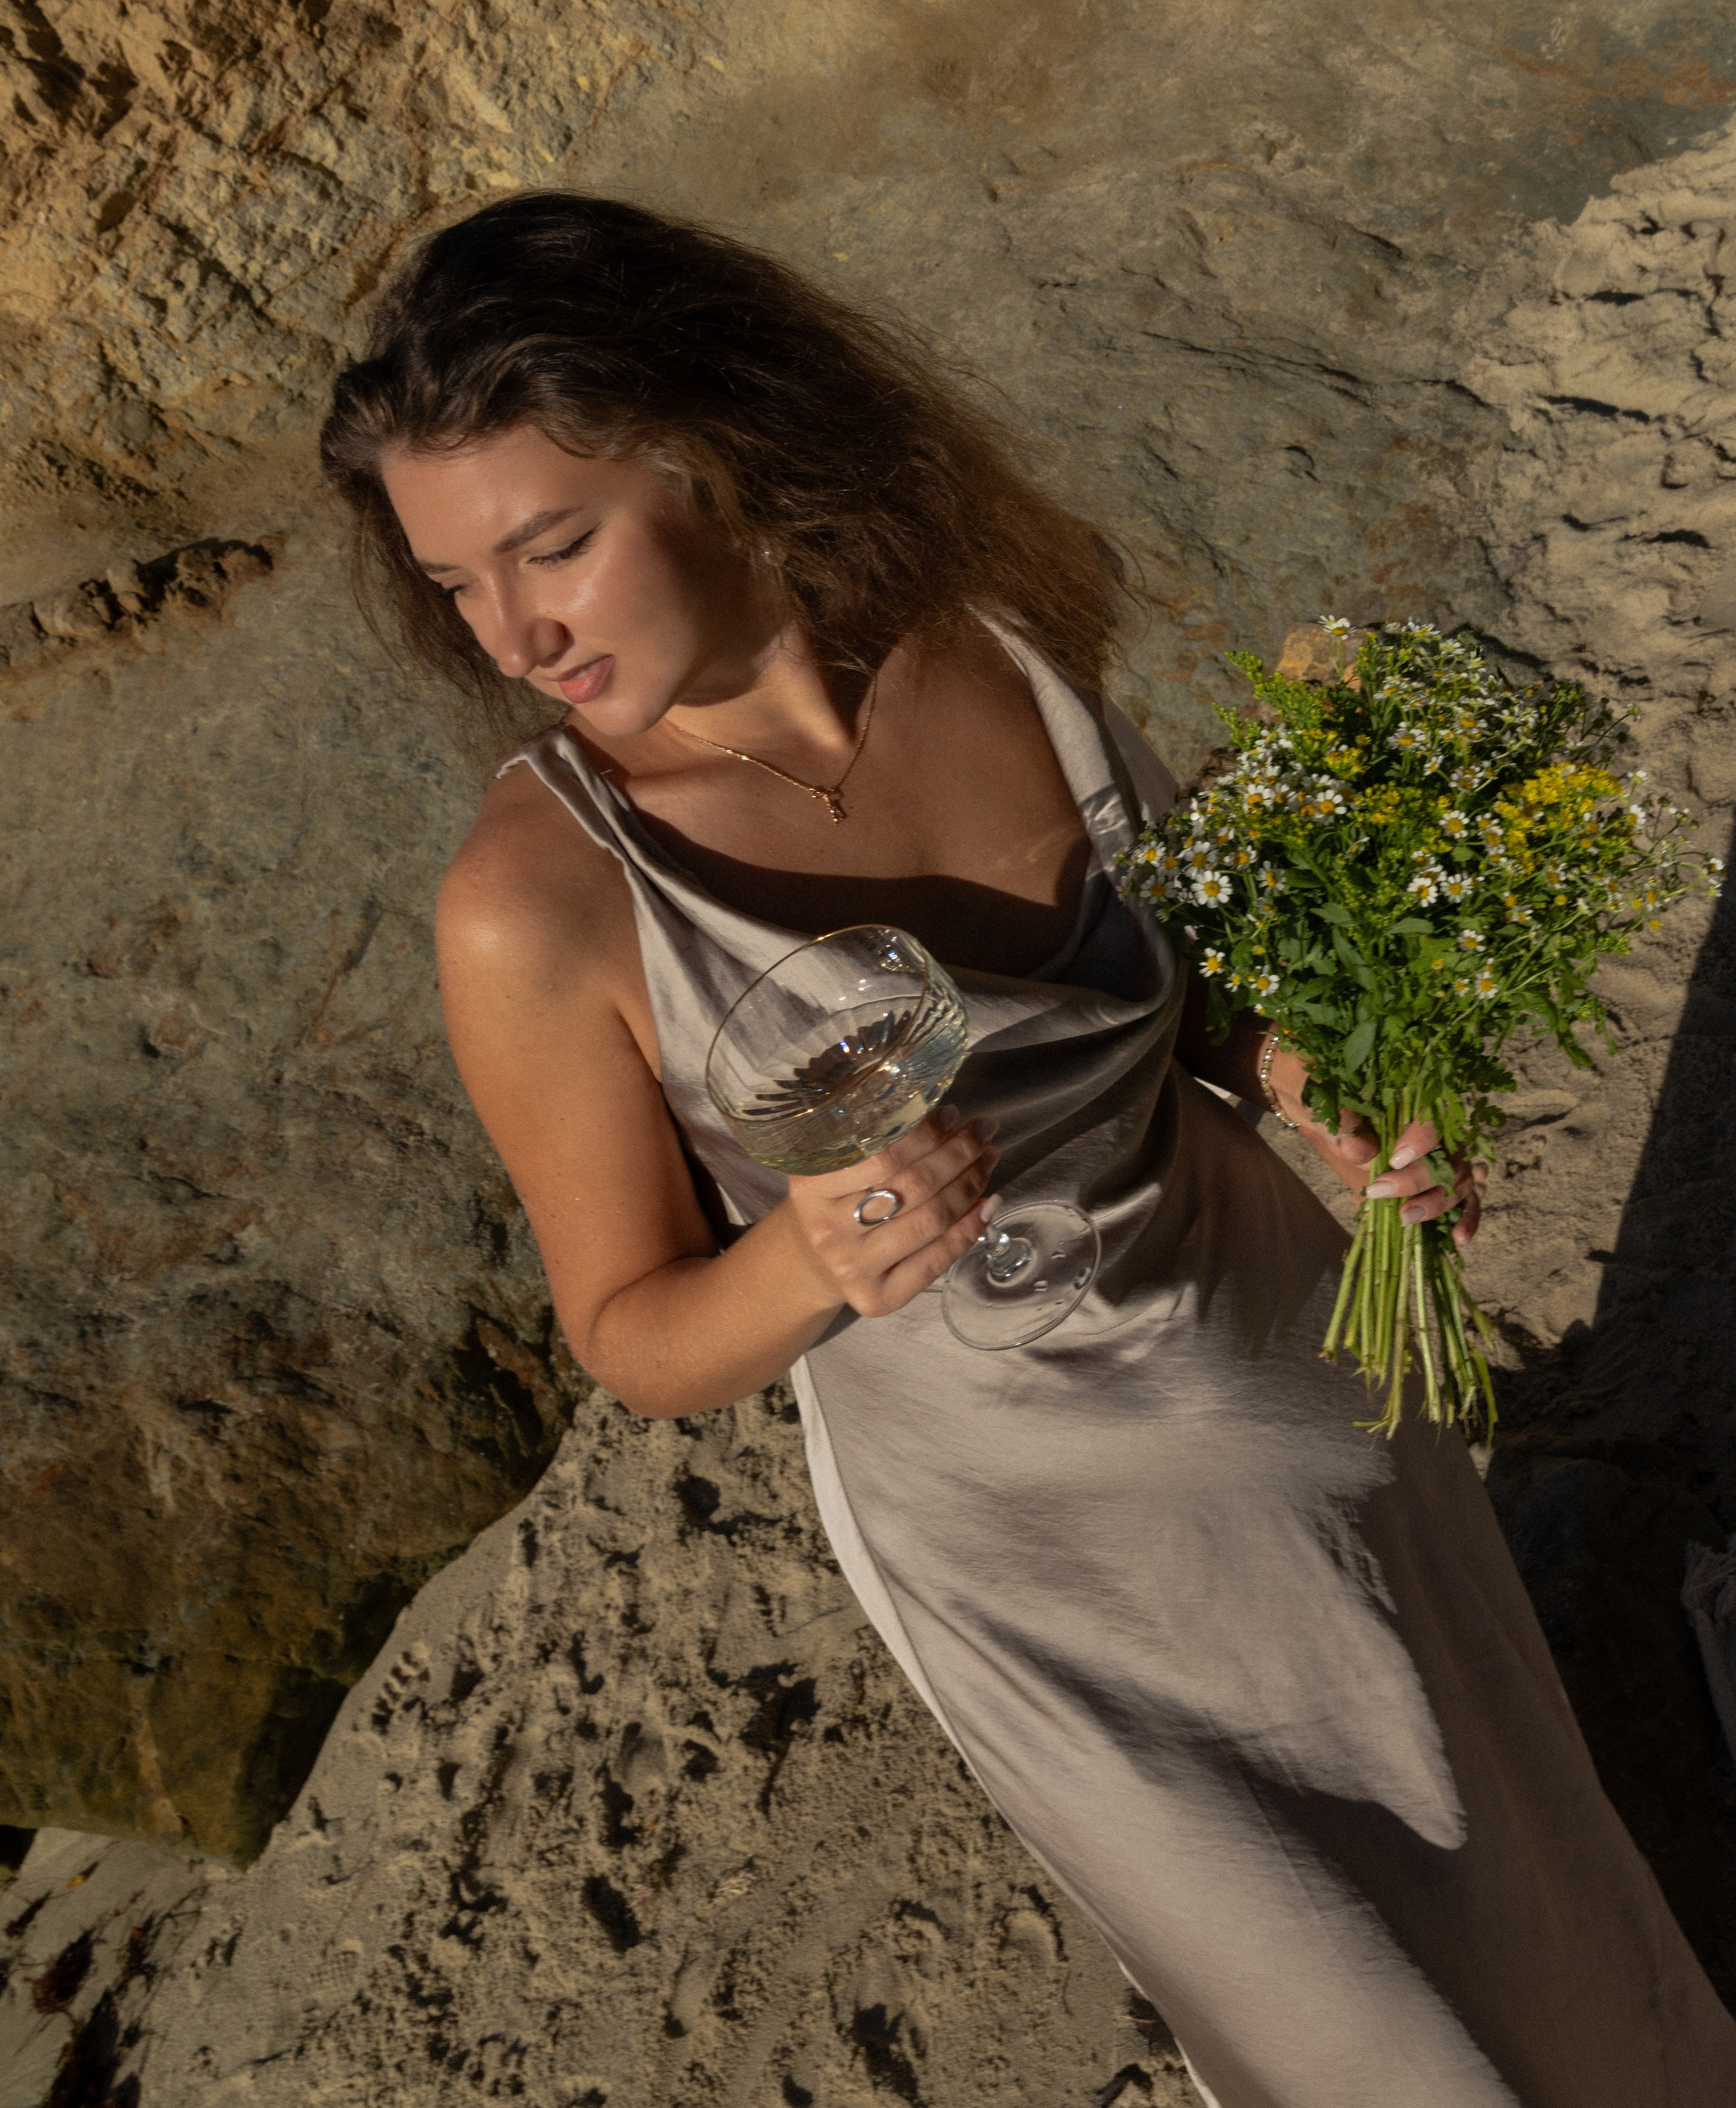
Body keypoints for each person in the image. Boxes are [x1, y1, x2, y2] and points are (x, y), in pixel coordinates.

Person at [319, 192, 1736, 2108]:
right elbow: (636, 1341)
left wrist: (1321, 1070)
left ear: (712, 452)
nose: (517, 631)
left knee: (1546, 1930)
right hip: (1055, 1578)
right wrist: (810, 1257)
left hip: (1319, 1412)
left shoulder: (992, 644)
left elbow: (1195, 997)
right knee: (1366, 2050)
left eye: (553, 545)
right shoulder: (537, 903)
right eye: (457, 584)